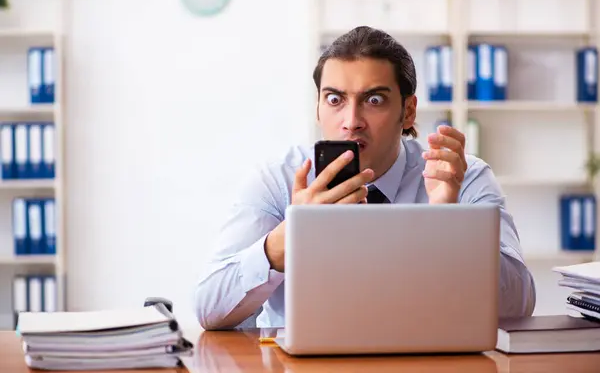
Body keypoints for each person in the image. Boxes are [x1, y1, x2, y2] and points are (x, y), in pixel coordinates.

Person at [194, 26, 536, 330]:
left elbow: (519, 304)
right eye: (334, 99)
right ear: (317, 108)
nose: (352, 120)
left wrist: (449, 221)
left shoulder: (460, 175)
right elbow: (209, 309)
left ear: (409, 111)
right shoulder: (277, 179)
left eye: (374, 100)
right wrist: (290, 236)